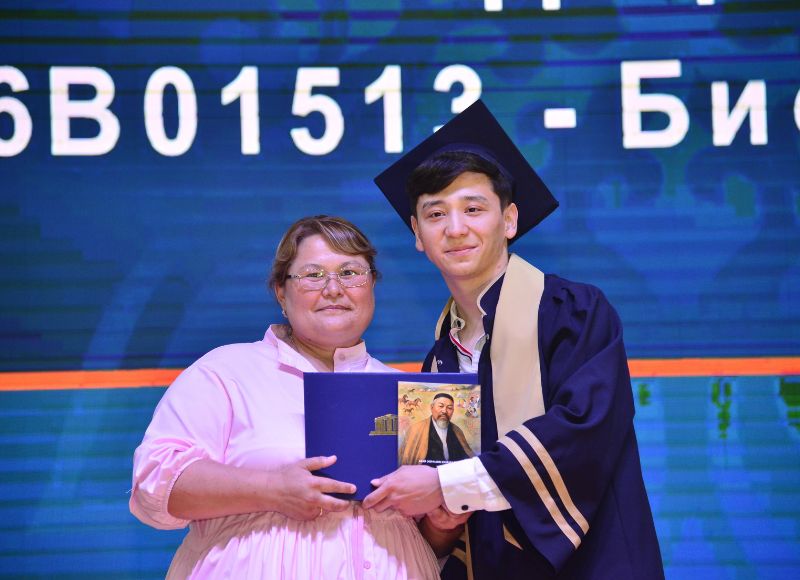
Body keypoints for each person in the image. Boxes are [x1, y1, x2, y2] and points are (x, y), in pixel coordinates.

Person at [365, 101, 664, 578]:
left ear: (509, 220)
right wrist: (440, 517)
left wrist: (446, 485)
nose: (455, 228)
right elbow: (447, 520)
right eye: (436, 213)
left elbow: (581, 432)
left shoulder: (573, 312)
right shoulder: (439, 364)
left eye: (473, 209)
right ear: (417, 234)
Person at [129, 216, 440, 579]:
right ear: (281, 291)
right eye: (312, 275)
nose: (333, 289)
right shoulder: (226, 371)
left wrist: (443, 522)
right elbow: (154, 486)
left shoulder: (411, 393)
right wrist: (273, 489)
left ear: (371, 283)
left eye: (350, 272)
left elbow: (429, 532)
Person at [399, 393, 474, 465]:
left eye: (449, 408)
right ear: (432, 407)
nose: (444, 411)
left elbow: (467, 458)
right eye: (441, 406)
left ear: (453, 411)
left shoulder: (457, 431)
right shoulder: (416, 429)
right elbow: (406, 459)